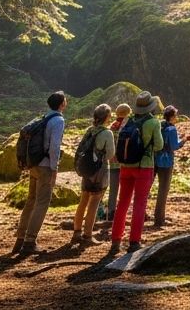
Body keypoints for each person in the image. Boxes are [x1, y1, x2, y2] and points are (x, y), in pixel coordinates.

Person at [11, 90, 67, 256]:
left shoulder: (43, 117)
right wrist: (54, 168)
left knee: (31, 201)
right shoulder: (58, 120)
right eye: (65, 101)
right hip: (45, 167)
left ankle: (20, 238)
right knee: (42, 203)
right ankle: (30, 241)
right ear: (62, 104)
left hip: (34, 164)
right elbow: (54, 147)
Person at [109, 91, 164, 255]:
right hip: (144, 166)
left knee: (122, 203)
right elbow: (159, 145)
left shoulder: (128, 120)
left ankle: (116, 240)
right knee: (139, 203)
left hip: (126, 166)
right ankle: (134, 241)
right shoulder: (153, 122)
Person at [70, 103, 115, 247]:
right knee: (94, 202)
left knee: (83, 200)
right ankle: (88, 235)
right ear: (107, 117)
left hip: (86, 170)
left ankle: (76, 232)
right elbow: (110, 155)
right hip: (100, 170)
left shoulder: (90, 130)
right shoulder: (107, 133)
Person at [99, 102, 132, 233]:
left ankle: (110, 214)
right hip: (124, 163)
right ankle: (120, 215)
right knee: (125, 191)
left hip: (111, 162)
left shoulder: (112, 126)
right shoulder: (127, 125)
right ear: (127, 114)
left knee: (112, 189)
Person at [152, 105, 185, 228]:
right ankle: (160, 219)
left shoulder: (160, 125)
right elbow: (175, 146)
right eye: (175, 115)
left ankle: (152, 216)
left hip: (155, 159)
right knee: (163, 190)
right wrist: (184, 140)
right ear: (172, 116)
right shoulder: (172, 129)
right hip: (166, 162)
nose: (176, 118)